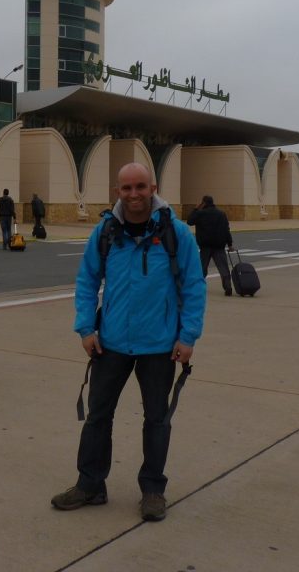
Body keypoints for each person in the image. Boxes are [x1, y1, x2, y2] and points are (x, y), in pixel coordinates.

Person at [51, 163, 206, 522]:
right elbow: (87, 280)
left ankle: (153, 490)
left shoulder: (176, 232)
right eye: (126, 189)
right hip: (111, 343)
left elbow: (194, 286)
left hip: (160, 345)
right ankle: (90, 484)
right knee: (98, 417)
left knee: (157, 420)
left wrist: (188, 336)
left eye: (140, 187)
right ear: (117, 192)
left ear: (152, 187)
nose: (134, 195)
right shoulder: (105, 231)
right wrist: (85, 328)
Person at [186, 195, 235, 296]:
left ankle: (197, 287)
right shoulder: (221, 214)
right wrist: (230, 244)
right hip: (219, 246)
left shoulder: (200, 213)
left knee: (202, 269)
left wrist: (196, 208)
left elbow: (189, 221)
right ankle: (228, 287)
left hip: (205, 245)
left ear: (203, 203)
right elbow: (226, 230)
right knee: (223, 268)